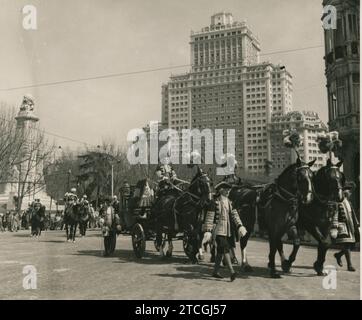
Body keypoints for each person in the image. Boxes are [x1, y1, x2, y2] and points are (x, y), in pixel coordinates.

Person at [203, 182, 247, 281]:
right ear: (220, 190)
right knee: (225, 248)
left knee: (220, 252)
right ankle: (232, 271)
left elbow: (235, 215)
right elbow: (210, 217)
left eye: (229, 190)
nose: (228, 191)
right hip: (217, 230)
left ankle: (215, 272)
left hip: (227, 231)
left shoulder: (230, 202)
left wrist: (240, 225)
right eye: (226, 190)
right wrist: (208, 230)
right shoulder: (214, 202)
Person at [333, 183, 360, 272]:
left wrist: (357, 224)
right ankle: (350, 265)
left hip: (351, 226)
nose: (350, 193)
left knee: (352, 245)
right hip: (342, 226)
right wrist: (335, 224)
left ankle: (338, 255)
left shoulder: (349, 202)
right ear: (344, 193)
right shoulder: (338, 202)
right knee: (347, 245)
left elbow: (353, 214)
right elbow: (335, 214)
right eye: (348, 192)